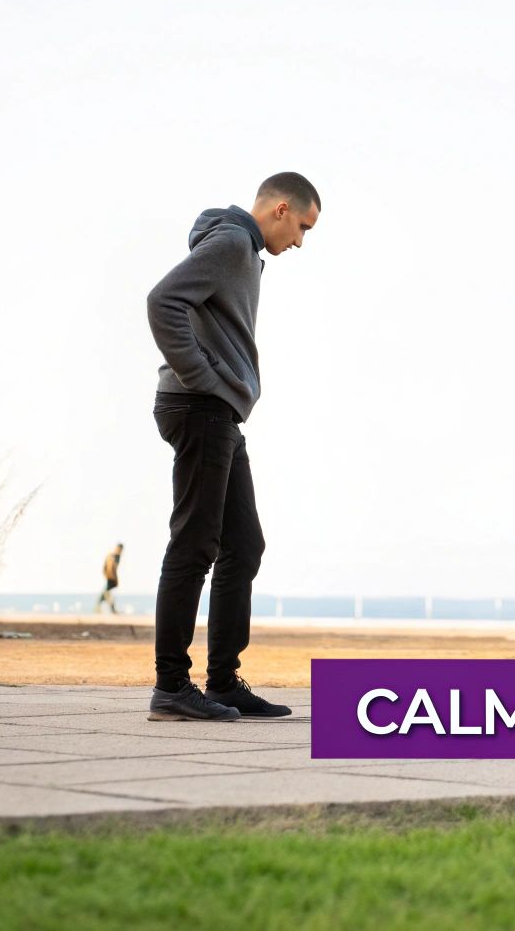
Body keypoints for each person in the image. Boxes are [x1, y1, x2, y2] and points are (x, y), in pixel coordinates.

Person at [142, 172, 320, 721]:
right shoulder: (232, 243)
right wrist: (204, 376)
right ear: (282, 209)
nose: (300, 242)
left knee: (244, 545)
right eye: (303, 228)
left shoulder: (241, 249)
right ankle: (172, 685)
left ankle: (222, 682)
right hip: (199, 407)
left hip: (218, 410)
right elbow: (162, 300)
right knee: (195, 543)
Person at [96, 542, 123, 614]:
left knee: (107, 594)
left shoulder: (118, 557)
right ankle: (100, 609)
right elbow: (108, 568)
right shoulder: (111, 556)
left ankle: (102, 608)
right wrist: (110, 576)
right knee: (107, 594)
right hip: (110, 577)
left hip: (113, 578)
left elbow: (115, 569)